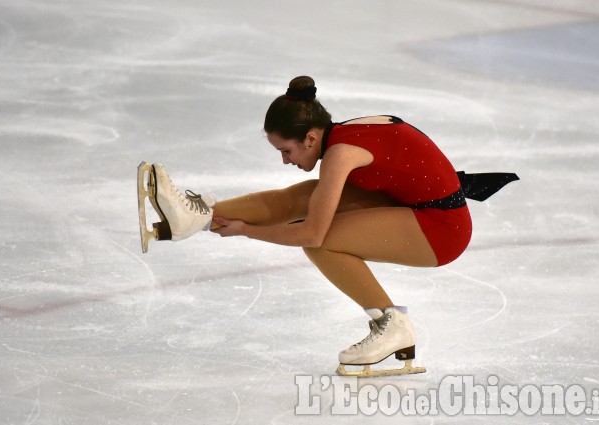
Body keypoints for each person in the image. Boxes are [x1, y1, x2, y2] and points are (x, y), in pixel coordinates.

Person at [137, 76, 518, 377]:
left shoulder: (340, 154)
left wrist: (246, 230)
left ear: (311, 137)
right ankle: (196, 215)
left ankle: (393, 323)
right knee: (303, 196)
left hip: (442, 228)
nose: (286, 160)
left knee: (322, 242)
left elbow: (311, 234)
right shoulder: (342, 134)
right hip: (414, 203)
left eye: (287, 151)